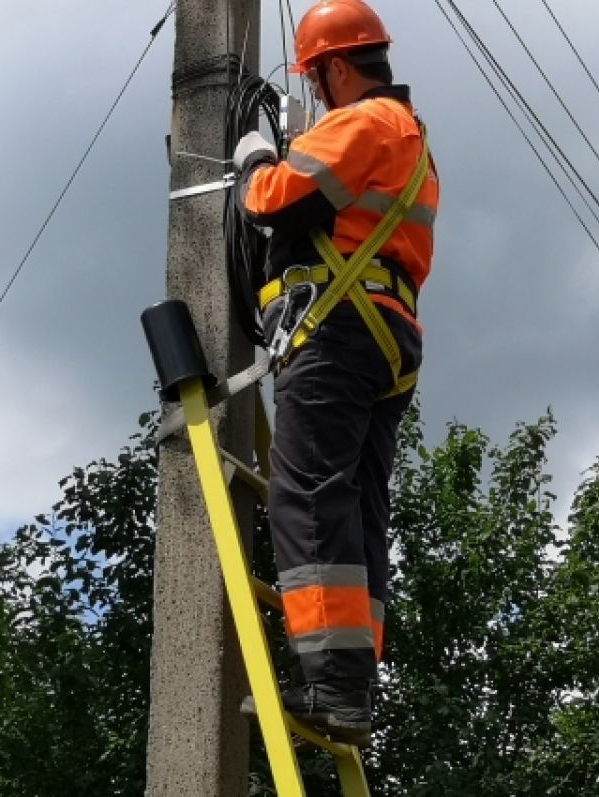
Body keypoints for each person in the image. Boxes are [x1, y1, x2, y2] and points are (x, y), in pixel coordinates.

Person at [232, 0, 439, 746]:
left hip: (339, 329)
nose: (316, 94)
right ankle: (353, 680)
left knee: (309, 496)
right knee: (358, 507)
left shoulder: (364, 123)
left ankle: (331, 683)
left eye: (318, 80)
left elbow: (271, 205)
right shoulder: (412, 143)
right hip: (390, 332)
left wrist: (256, 154)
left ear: (340, 67)